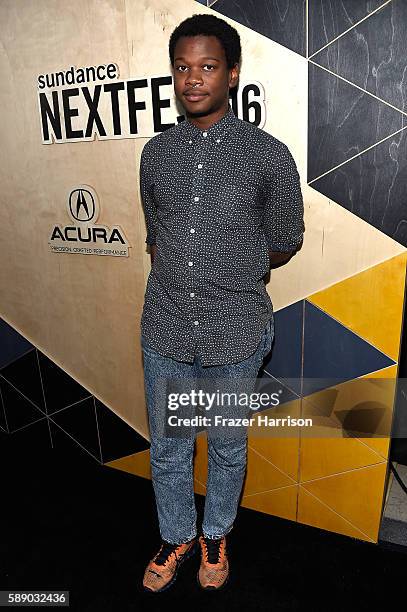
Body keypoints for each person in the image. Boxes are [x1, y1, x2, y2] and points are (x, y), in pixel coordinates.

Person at [139, 13, 304, 593]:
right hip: (166, 329)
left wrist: (231, 271)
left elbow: (286, 240)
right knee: (169, 446)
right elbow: (156, 236)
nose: (193, 80)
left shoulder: (267, 155)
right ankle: (177, 534)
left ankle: (215, 533)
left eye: (207, 66)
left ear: (232, 74)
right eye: (183, 67)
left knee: (228, 445)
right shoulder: (156, 154)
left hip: (235, 331)